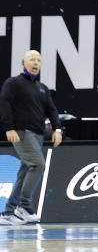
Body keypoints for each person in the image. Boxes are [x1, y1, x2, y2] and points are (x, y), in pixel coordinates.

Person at [0, 50, 63, 224]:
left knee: (26, 170)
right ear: (23, 63)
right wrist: (8, 127)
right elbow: (4, 103)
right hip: (21, 132)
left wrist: (57, 129)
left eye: (38, 60)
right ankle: (24, 207)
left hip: (38, 134)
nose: (36, 63)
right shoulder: (13, 83)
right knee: (38, 164)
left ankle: (8, 212)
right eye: (32, 60)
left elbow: (51, 109)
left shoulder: (42, 88)